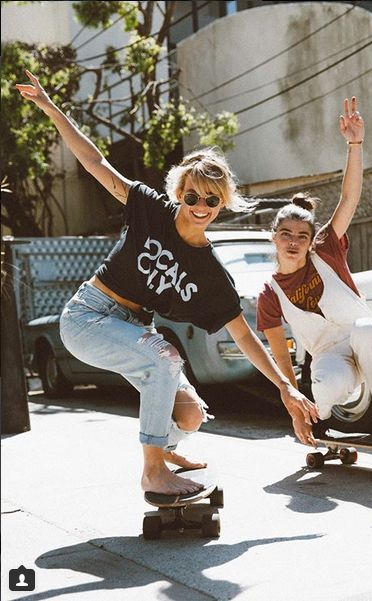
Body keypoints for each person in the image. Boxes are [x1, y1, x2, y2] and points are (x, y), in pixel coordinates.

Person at [16, 70, 320, 495]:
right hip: (88, 317)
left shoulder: (211, 272)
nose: (200, 206)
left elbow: (245, 335)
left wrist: (287, 388)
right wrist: (51, 108)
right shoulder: (149, 209)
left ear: (222, 204)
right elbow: (94, 162)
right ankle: (153, 470)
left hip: (134, 329)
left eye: (211, 200)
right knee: (166, 356)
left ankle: (168, 448)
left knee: (191, 413)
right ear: (180, 192)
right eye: (192, 196)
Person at [256, 97, 372, 449]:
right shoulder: (269, 292)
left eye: (301, 236)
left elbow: (349, 199)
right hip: (330, 356)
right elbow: (280, 356)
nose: (293, 242)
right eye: (286, 235)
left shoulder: (325, 249)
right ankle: (320, 418)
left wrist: (355, 144)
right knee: (322, 383)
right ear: (273, 237)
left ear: (311, 242)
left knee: (368, 329)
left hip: (370, 343)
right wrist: (296, 404)